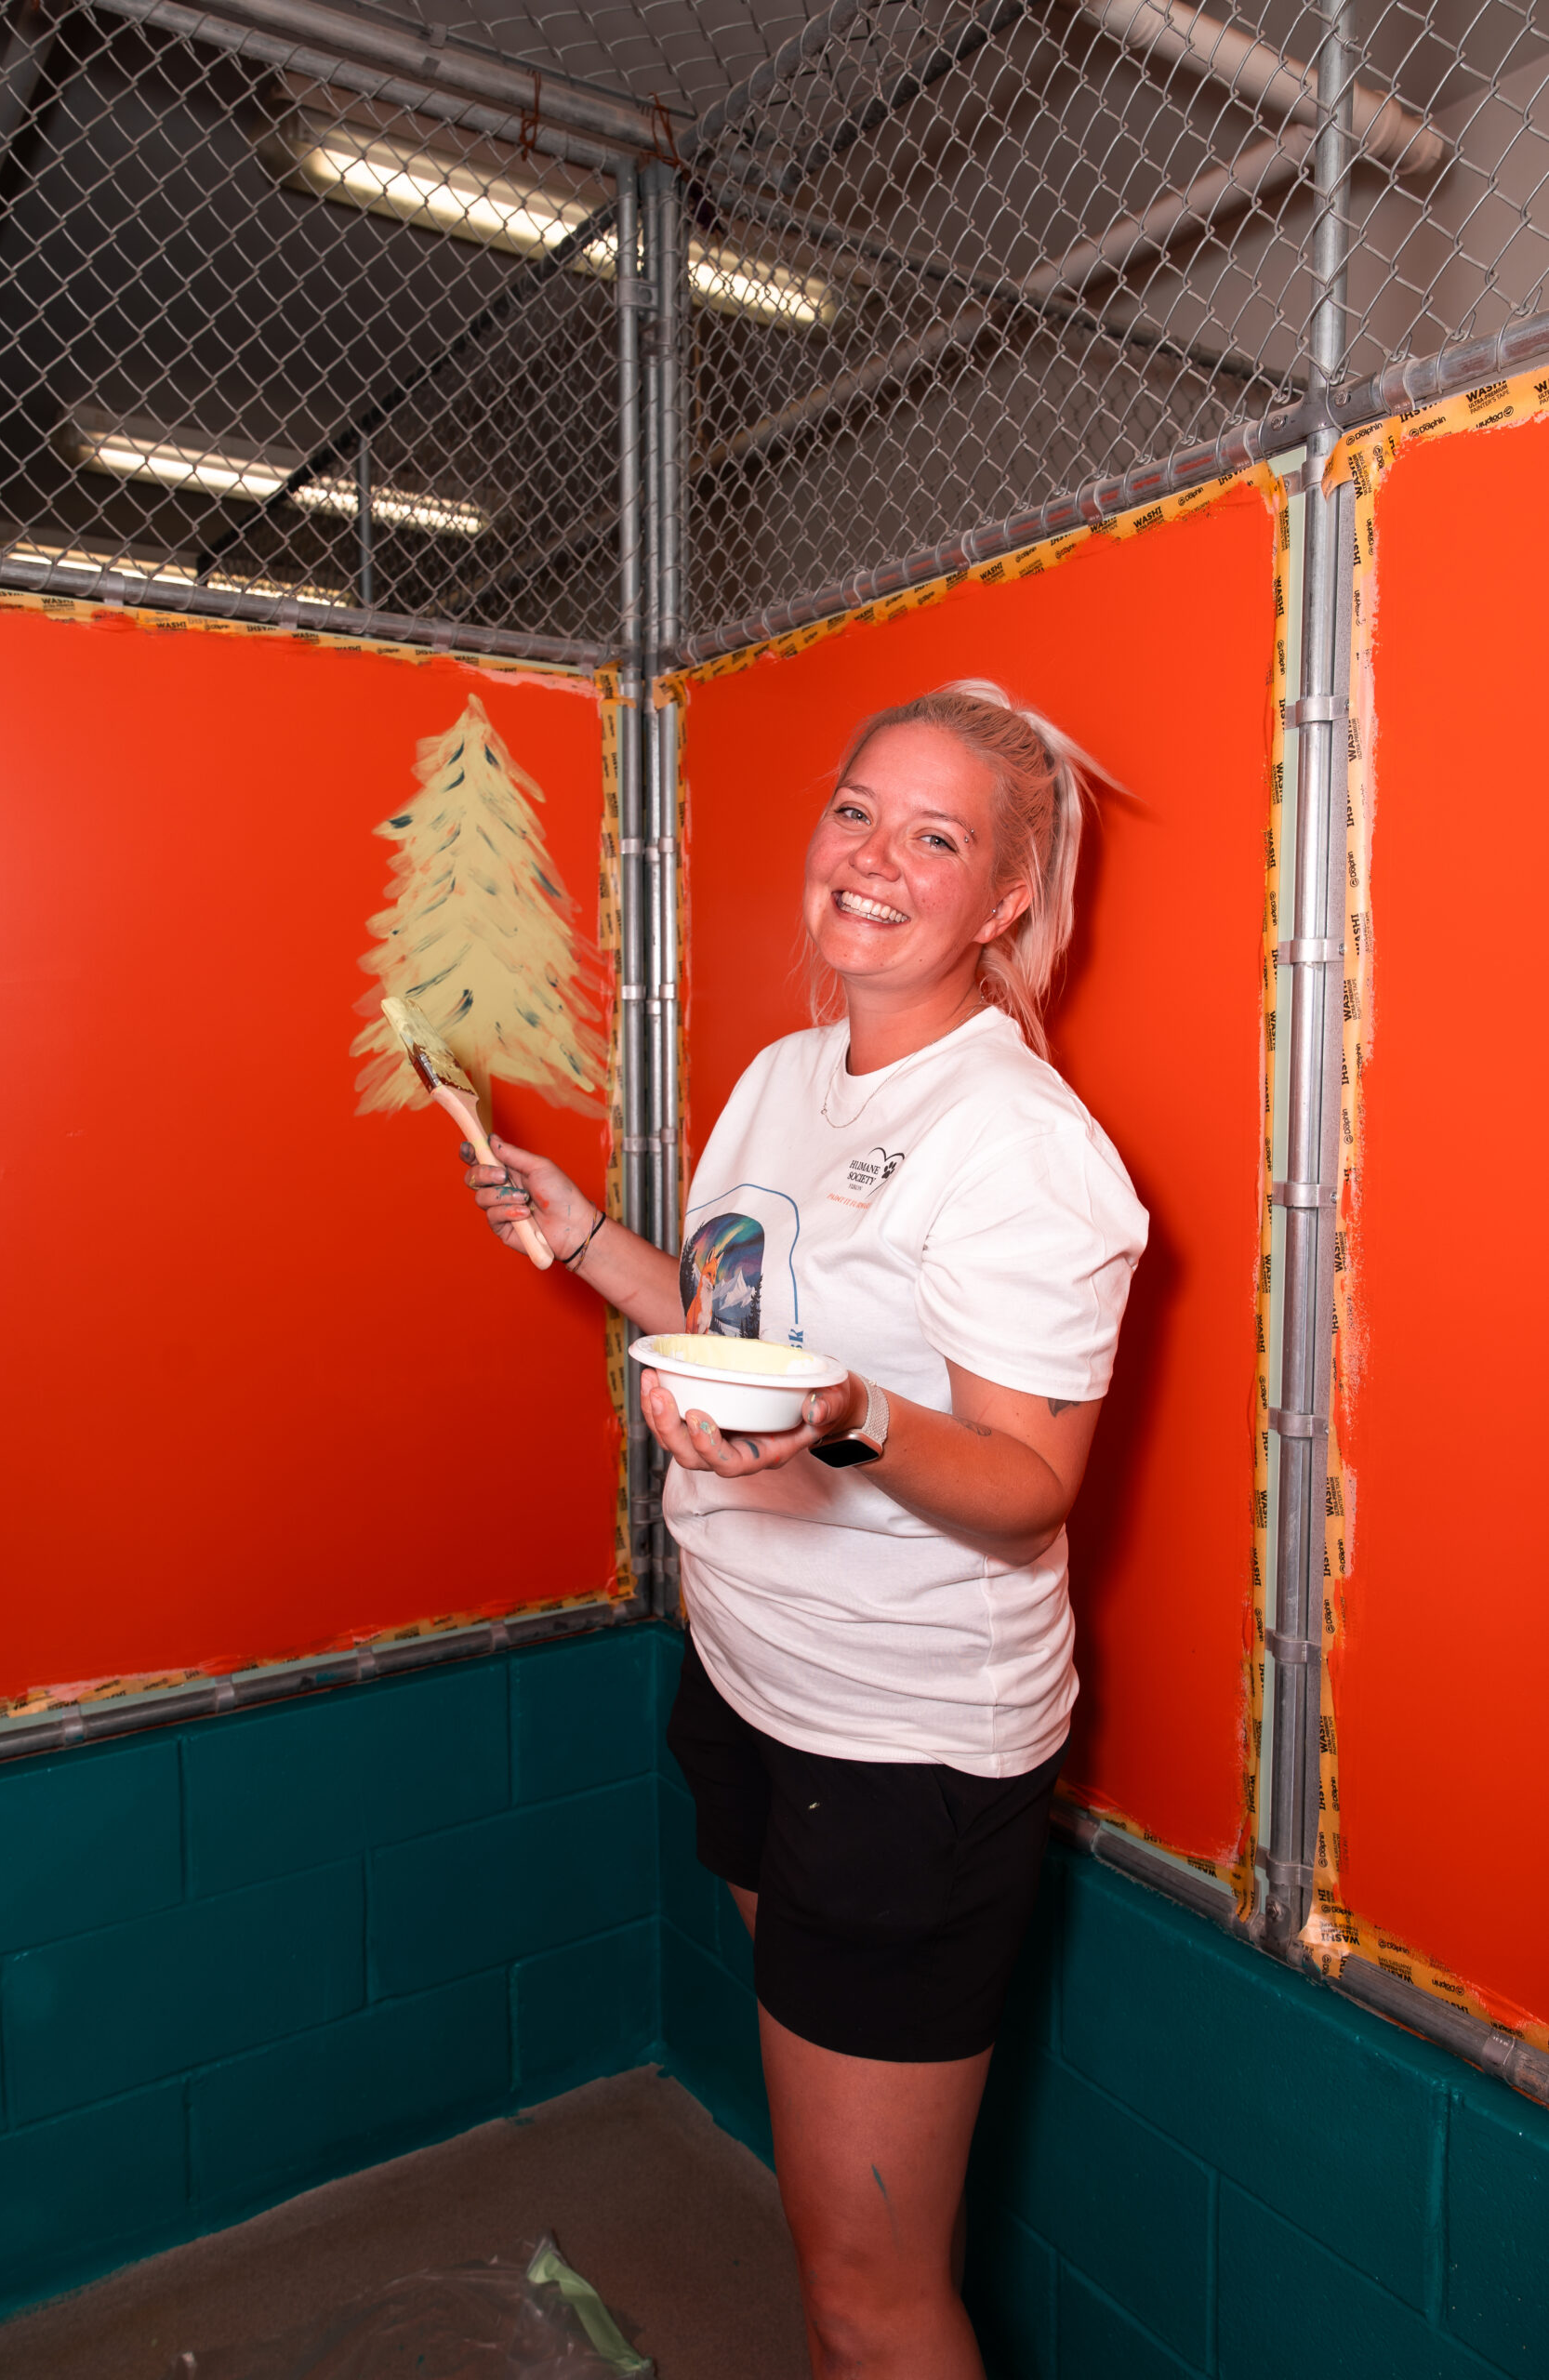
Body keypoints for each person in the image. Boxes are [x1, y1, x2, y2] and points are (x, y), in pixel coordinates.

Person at [461, 681, 1147, 2379]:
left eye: (937, 838)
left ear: (1004, 901)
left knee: (868, 2296)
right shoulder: (785, 1076)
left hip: (900, 1752)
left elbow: (1030, 1486)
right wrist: (587, 1236)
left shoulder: (1019, 1145)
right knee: (850, 2229)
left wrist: (848, 1415)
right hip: (757, 1686)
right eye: (858, 811)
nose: (874, 858)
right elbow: (731, 1322)